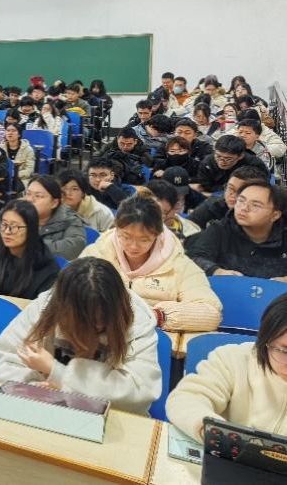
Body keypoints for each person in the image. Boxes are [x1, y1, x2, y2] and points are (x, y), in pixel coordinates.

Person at [0, 257, 162, 414]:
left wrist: (57, 372)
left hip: (109, 419)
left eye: (99, 321)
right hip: (44, 410)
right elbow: (5, 360)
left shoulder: (136, 324)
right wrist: (35, 389)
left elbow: (139, 393)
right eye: (80, 321)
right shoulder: (45, 308)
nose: (92, 328)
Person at [80, 193, 221, 332]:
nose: (133, 246)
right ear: (116, 229)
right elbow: (70, 295)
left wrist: (158, 316)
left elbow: (211, 312)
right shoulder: (97, 254)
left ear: (157, 235)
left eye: (144, 240)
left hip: (156, 338)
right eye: (126, 237)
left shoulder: (179, 264)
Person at [166, 293, 287, 442]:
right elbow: (186, 399)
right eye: (284, 350)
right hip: (223, 449)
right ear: (266, 340)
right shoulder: (234, 359)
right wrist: (214, 432)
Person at [185, 180, 287, 280]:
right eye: (241, 201)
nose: (244, 208)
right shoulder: (220, 229)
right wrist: (216, 271)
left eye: (255, 205)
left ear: (275, 215)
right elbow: (195, 257)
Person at [0, 176, 86, 260]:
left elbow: (74, 248)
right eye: (28, 194)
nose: (30, 200)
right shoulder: (7, 215)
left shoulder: (69, 219)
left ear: (54, 203)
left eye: (38, 196)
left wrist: (23, 243)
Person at [188, 165, 268, 229]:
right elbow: (186, 230)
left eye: (241, 192)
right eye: (230, 188)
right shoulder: (212, 206)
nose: (232, 195)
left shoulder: (267, 216)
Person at [191, 134, 269, 194]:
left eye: (228, 159)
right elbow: (205, 185)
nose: (222, 161)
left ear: (240, 156)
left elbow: (260, 187)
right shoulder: (208, 162)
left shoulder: (253, 164)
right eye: (218, 156)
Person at [0, 123, 35, 191]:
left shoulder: (28, 150)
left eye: (13, 131)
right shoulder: (0, 148)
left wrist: (13, 174)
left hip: (21, 179)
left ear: (19, 134)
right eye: (8, 130)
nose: (10, 133)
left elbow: (29, 171)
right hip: (3, 179)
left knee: (8, 187)